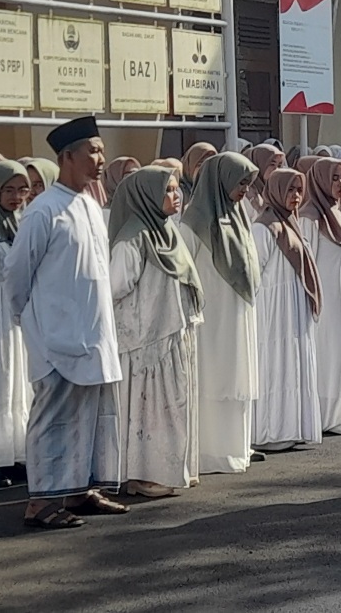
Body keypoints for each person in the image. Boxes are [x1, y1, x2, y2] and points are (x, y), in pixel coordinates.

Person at [7, 117, 127, 529]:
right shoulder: (43, 211)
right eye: (92, 151)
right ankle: (40, 503)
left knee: (90, 419)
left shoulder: (91, 205)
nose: (99, 159)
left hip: (93, 335)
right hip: (56, 338)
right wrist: (37, 327)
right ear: (66, 157)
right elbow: (17, 278)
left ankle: (77, 491)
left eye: (101, 151)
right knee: (53, 419)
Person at [108, 166, 203, 497]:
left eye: (177, 190)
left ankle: (171, 469)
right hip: (144, 341)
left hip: (170, 334)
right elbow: (114, 287)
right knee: (147, 410)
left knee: (171, 407)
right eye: (167, 191)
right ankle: (142, 475)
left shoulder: (167, 232)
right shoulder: (133, 238)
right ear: (147, 195)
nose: (175, 197)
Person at [179, 152, 261, 474]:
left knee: (236, 377)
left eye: (247, 183)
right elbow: (185, 270)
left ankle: (237, 449)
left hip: (238, 314)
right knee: (215, 379)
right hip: (211, 318)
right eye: (240, 182)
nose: (244, 190)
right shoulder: (194, 221)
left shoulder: (239, 217)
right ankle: (212, 453)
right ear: (220, 180)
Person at [250, 169, 323, 452]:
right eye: (290, 190)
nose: (295, 196)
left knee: (294, 363)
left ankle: (292, 426)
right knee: (276, 363)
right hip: (273, 311)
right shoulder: (264, 227)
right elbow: (256, 273)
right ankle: (272, 430)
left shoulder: (290, 224)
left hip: (293, 306)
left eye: (298, 190)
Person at [299, 158, 341, 434]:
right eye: (334, 178)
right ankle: (327, 414)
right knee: (330, 352)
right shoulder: (310, 217)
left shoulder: (335, 213)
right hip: (326, 300)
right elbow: (309, 264)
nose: (340, 184)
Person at [0, 161, 31, 487]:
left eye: (22, 190)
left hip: (15, 313)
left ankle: (15, 455)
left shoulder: (19, 223)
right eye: (8, 189)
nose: (16, 197)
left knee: (17, 381)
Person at [243, 144, 286, 220]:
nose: (276, 170)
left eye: (279, 166)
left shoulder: (276, 194)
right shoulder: (244, 195)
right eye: (272, 164)